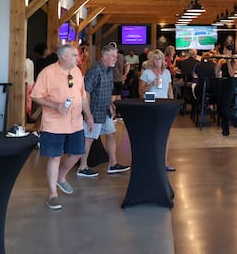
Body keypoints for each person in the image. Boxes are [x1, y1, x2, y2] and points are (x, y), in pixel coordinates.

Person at [30, 44, 94, 210]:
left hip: (76, 122)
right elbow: (36, 96)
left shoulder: (77, 72)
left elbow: (83, 96)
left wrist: (88, 115)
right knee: (54, 157)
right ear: (64, 57)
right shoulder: (48, 73)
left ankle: (61, 177)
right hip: (54, 123)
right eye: (74, 55)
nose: (78, 58)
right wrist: (55, 105)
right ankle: (52, 195)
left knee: (78, 153)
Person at [77, 45, 130, 178]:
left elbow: (108, 90)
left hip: (105, 109)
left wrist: (111, 104)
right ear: (104, 56)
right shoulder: (95, 71)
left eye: (116, 57)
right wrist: (88, 114)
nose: (115, 59)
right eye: (113, 56)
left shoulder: (109, 71)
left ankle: (112, 164)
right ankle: (82, 167)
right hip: (94, 111)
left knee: (111, 134)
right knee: (88, 138)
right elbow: (86, 92)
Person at [139, 49, 176, 171]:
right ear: (151, 60)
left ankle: (164, 162)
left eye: (160, 58)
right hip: (150, 104)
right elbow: (140, 91)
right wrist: (151, 84)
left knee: (165, 134)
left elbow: (170, 90)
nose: (158, 61)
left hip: (164, 104)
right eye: (155, 58)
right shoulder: (147, 73)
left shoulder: (166, 73)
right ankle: (150, 161)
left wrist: (172, 104)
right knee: (150, 133)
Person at [217, 46, 237, 136]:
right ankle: (225, 131)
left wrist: (228, 61)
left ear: (230, 51)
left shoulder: (234, 60)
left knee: (225, 106)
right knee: (220, 107)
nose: (223, 51)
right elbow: (216, 74)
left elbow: (231, 73)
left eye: (225, 50)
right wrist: (219, 63)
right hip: (222, 83)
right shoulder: (221, 60)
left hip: (229, 83)